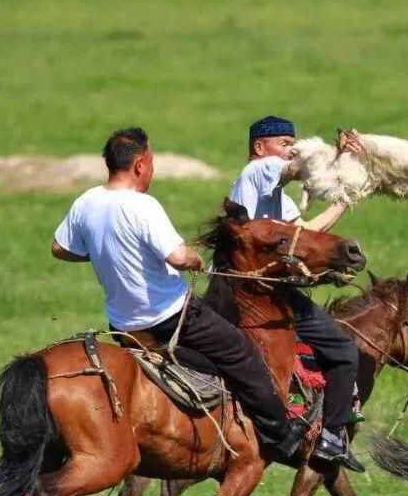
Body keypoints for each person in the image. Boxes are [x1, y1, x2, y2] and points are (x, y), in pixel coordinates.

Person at [52, 127, 306, 460]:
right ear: (141, 164)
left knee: (204, 358)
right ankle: (280, 436)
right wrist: (196, 259)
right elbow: (178, 257)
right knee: (241, 351)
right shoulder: (143, 206)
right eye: (152, 161)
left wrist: (103, 250)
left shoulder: (87, 201)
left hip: (123, 324)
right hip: (171, 316)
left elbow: (59, 248)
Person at [228, 115, 365, 472]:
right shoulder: (257, 172)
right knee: (344, 350)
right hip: (258, 295)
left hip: (270, 291)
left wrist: (344, 199)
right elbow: (296, 168)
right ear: (260, 148)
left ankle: (320, 429)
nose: (293, 148)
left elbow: (307, 233)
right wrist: (338, 157)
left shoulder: (277, 200)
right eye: (286, 142)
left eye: (294, 142)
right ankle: (329, 433)